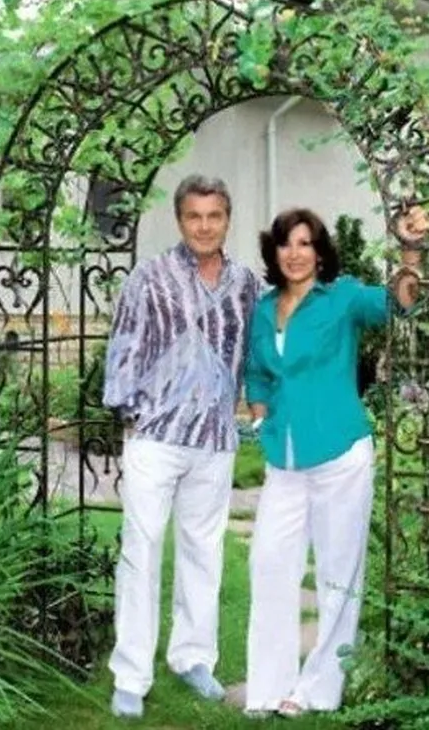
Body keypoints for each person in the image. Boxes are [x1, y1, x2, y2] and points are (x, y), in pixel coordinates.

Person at [242, 205, 429, 717]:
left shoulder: (342, 297)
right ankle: (267, 688)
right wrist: (259, 415)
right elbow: (257, 372)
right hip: (284, 460)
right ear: (274, 252)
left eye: (305, 243)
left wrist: (410, 249)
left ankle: (317, 691)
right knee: (268, 565)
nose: (295, 253)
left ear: (320, 252)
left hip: (340, 454)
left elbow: (400, 303)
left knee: (337, 575)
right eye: (286, 243)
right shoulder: (264, 309)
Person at [101, 174, 262, 720]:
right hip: (156, 438)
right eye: (194, 216)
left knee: (203, 550)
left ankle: (192, 657)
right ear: (179, 219)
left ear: (227, 219)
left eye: (214, 216)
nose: (204, 226)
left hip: (214, 440)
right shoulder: (149, 276)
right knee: (140, 552)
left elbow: (255, 350)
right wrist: (131, 413)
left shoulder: (245, 284)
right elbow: (124, 345)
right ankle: (131, 676)